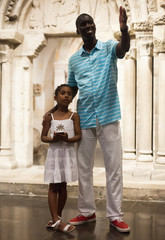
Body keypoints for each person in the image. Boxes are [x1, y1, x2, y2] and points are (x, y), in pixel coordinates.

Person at [66, 7, 131, 233]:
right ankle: (87, 212)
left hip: (109, 116)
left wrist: (124, 30)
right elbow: (72, 88)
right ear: (78, 30)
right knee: (84, 168)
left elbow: (123, 49)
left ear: (94, 26)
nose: (87, 26)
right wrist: (58, 108)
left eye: (90, 22)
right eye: (82, 24)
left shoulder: (108, 48)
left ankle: (115, 215)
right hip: (84, 118)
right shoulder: (74, 60)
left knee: (114, 168)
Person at [41, 84, 81, 233]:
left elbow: (78, 136)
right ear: (55, 97)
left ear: (71, 98)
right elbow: (43, 137)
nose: (66, 96)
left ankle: (56, 218)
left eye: (69, 94)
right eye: (62, 93)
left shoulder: (74, 116)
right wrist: (53, 139)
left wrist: (66, 139)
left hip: (67, 153)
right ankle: (57, 222)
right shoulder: (49, 117)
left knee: (63, 185)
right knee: (53, 185)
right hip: (55, 153)